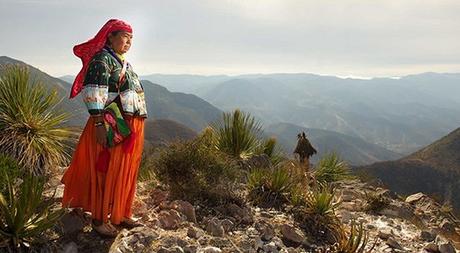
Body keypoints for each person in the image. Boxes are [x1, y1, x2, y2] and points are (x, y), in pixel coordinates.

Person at [61, 19, 147, 237]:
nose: (128, 42)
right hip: (111, 125)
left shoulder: (123, 62)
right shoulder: (102, 60)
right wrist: (99, 123)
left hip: (130, 124)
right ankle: (99, 219)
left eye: (131, 38)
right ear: (110, 36)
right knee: (105, 169)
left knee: (125, 169)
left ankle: (121, 213)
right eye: (125, 36)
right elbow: (94, 92)